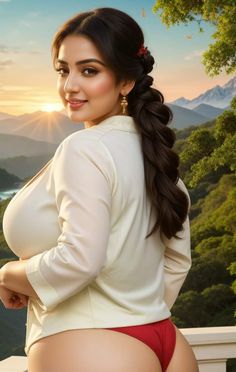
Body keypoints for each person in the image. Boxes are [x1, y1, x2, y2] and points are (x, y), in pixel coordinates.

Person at [0, 7, 198, 372]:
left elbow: (80, 259)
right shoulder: (155, 155)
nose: (70, 86)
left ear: (125, 82)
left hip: (90, 345)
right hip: (165, 341)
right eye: (63, 70)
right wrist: (135, 309)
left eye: (89, 70)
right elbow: (177, 259)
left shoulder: (84, 148)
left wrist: (9, 274)